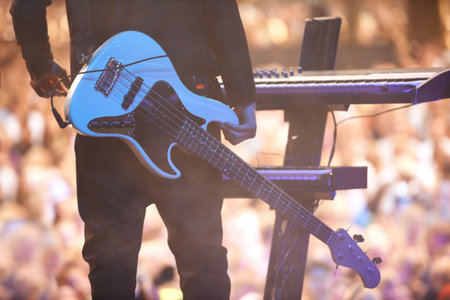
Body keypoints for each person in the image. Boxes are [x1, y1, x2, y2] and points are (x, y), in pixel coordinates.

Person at [10, 0, 257, 299]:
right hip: (186, 109)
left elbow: (26, 6)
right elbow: (220, 9)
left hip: (104, 110)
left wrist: (40, 63)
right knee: (202, 257)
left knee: (111, 263)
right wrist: (242, 96)